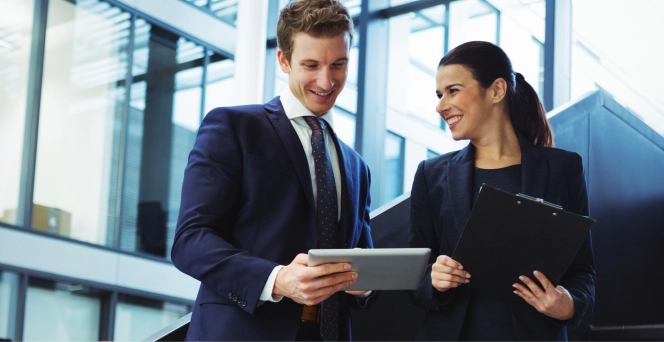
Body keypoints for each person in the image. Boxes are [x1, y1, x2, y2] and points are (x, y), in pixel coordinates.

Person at [171, 1, 375, 341]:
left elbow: (362, 262)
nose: (327, 81)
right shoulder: (234, 127)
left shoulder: (357, 166)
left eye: (338, 64)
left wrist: (365, 284)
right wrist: (277, 279)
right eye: (311, 65)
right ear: (284, 60)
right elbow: (190, 241)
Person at [408, 41, 595, 341]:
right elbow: (414, 276)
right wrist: (434, 279)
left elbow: (582, 269)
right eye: (439, 94)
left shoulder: (563, 168)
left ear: (496, 90)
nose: (441, 105)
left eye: (453, 90)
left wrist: (569, 305)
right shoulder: (431, 175)